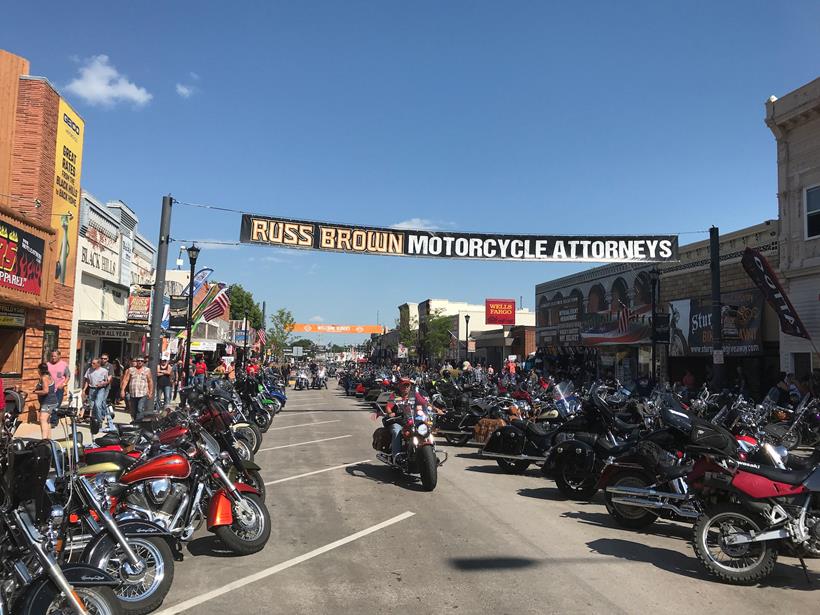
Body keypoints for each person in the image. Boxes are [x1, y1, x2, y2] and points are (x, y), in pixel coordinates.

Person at [384, 378, 424, 463]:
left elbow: (424, 403)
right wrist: (390, 412)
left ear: (410, 386)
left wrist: (434, 408)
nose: (405, 387)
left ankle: (431, 454)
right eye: (403, 385)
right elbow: (388, 406)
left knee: (425, 429)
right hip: (398, 420)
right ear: (399, 386)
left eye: (407, 385)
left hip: (413, 420)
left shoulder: (414, 394)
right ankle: (396, 457)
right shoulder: (395, 395)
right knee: (396, 431)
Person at [84, 357, 115, 432]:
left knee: (98, 404)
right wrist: (84, 389)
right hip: (92, 389)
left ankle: (99, 421)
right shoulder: (89, 370)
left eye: (94, 363)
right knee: (92, 406)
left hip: (101, 389)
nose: (92, 364)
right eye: (92, 363)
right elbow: (87, 380)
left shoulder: (104, 371)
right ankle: (94, 422)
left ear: (98, 364)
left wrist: (102, 384)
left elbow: (107, 381)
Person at [120, 356, 154, 423]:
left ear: (143, 362)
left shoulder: (147, 370)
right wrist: (122, 390)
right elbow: (126, 380)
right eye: (138, 361)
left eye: (141, 361)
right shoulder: (131, 370)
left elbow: (150, 381)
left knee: (140, 409)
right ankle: (135, 421)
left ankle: (138, 423)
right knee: (133, 410)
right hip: (133, 393)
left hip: (143, 393)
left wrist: (150, 392)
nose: (140, 362)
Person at [34, 362, 59, 439]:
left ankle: (44, 440)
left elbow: (45, 391)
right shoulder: (48, 376)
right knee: (47, 420)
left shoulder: (44, 378)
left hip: (48, 402)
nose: (37, 371)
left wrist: (35, 392)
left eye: (38, 369)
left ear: (40, 370)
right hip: (50, 401)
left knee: (42, 419)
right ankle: (49, 439)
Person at [47, 350, 70, 415]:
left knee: (56, 405)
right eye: (52, 356)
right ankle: (49, 420)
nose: (53, 358)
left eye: (55, 356)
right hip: (50, 388)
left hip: (59, 388)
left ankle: (53, 422)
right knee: (49, 405)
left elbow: (68, 376)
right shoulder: (48, 364)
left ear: (59, 356)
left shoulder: (64, 365)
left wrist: (63, 384)